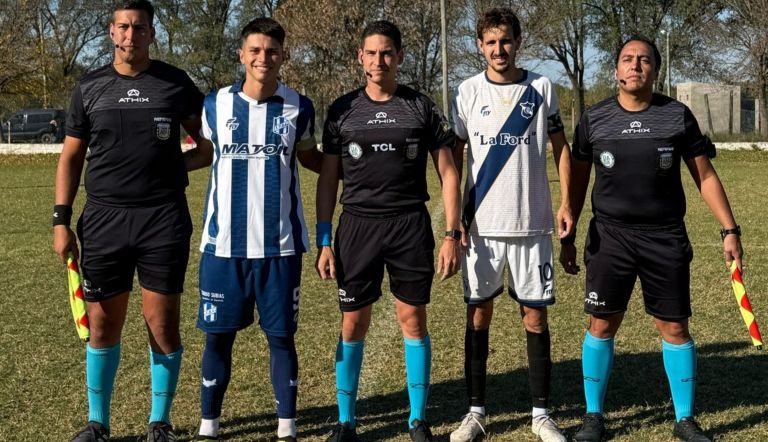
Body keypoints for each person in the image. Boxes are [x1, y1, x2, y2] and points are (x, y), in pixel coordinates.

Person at [566, 36, 743, 442]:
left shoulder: (677, 116)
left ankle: (685, 420)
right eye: (627, 59)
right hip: (610, 237)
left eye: (644, 60)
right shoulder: (594, 119)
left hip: (665, 237)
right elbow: (577, 181)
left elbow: (705, 176)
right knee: (601, 323)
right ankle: (593, 417)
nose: (635, 66)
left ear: (656, 70)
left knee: (674, 327)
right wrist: (569, 232)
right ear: (616, 69)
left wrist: (730, 230)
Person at [52, 1, 211, 441]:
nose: (130, 35)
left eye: (139, 27)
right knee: (103, 324)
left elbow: (206, 148)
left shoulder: (175, 83)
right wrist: (61, 220)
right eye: (123, 26)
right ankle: (97, 423)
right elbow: (70, 158)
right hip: (104, 219)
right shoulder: (90, 87)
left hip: (162, 219)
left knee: (162, 324)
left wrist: (171, 170)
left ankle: (160, 423)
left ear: (151, 34)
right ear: (111, 32)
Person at [315, 20, 461, 442]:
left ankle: (417, 420)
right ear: (360, 58)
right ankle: (346, 421)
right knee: (353, 322)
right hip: (357, 226)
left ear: (399, 56)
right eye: (371, 53)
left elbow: (449, 173)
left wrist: (451, 234)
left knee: (412, 318)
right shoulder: (342, 110)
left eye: (387, 52)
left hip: (408, 225)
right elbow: (328, 179)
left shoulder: (420, 107)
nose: (379, 60)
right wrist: (324, 239)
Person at [191, 17, 322, 442]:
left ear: (283, 56)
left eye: (272, 51)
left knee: (281, 338)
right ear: (242, 55)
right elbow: (203, 153)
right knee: (217, 339)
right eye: (255, 50)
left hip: (279, 248)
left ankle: (287, 427)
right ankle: (209, 425)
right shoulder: (215, 104)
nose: (263, 58)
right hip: (222, 247)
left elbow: (311, 158)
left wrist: (361, 167)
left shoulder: (299, 107)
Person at [448, 7, 572, 442]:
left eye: (505, 41)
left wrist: (566, 203)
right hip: (481, 228)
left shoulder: (541, 87)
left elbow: (562, 148)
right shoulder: (466, 91)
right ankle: (476, 413)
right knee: (478, 315)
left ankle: (541, 415)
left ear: (518, 43)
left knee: (534, 317)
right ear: (479, 46)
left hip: (532, 225)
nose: (498, 49)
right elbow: (452, 160)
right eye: (491, 42)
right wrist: (455, 220)